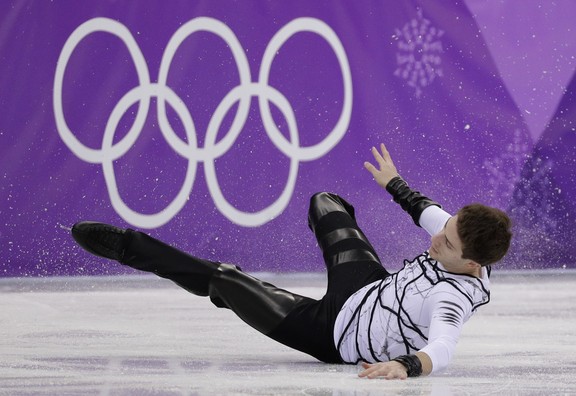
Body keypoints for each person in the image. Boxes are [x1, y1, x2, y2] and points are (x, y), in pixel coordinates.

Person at [71, 143, 512, 380]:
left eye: (447, 243)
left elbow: (443, 348)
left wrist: (406, 365)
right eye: (446, 229)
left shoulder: (450, 300)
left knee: (226, 280)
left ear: (472, 266)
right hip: (365, 285)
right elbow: (429, 213)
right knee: (325, 202)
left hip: (333, 334)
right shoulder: (459, 241)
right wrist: (394, 182)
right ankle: (239, 291)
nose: (436, 239)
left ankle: (132, 248)